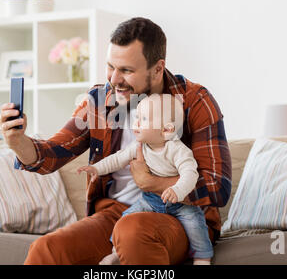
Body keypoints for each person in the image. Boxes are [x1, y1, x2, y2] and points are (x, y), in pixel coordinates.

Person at [0, 17, 232, 265]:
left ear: (157, 69)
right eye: (111, 67)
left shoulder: (193, 100)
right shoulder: (100, 100)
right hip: (115, 214)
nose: (114, 79)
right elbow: (52, 153)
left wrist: (153, 183)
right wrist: (17, 142)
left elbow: (218, 187)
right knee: (47, 249)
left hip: (180, 217)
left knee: (132, 231)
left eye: (127, 70)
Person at [77, 93, 214, 265]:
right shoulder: (139, 146)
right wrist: (96, 168)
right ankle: (116, 253)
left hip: (180, 204)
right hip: (150, 200)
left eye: (144, 119)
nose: (137, 123)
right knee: (125, 219)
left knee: (196, 224)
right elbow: (117, 159)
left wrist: (177, 190)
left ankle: (202, 257)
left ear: (167, 130)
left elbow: (190, 174)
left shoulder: (178, 150)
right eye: (137, 117)